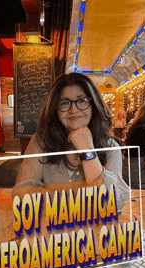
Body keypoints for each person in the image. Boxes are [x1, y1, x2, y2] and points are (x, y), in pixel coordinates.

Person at [14, 72, 129, 212]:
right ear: (55, 109)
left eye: (82, 100)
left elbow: (113, 204)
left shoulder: (110, 148)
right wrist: (79, 206)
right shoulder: (41, 142)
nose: (73, 109)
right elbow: (21, 195)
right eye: (64, 103)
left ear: (94, 104)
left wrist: (87, 150)